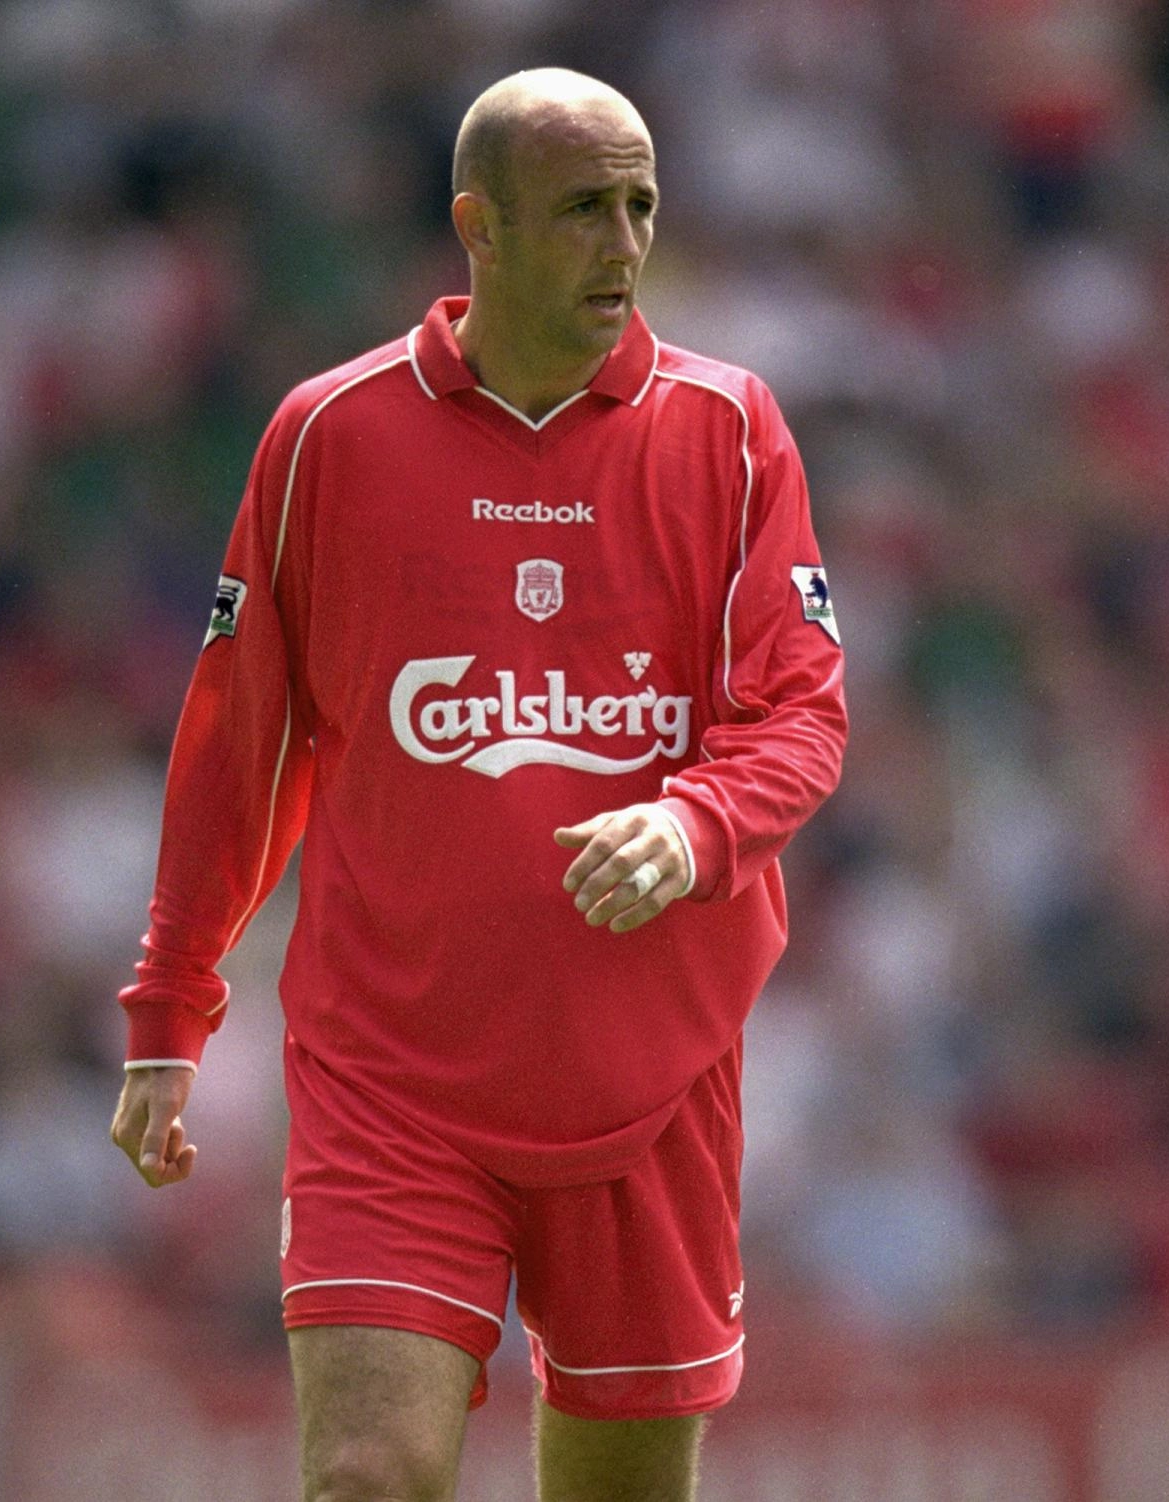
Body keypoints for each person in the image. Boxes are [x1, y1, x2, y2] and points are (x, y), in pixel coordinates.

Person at [110, 67, 847, 1502]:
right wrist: (169, 1005)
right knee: (371, 1475)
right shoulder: (330, 437)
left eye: (641, 205)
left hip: (655, 1075)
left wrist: (693, 822)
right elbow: (238, 742)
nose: (625, 242)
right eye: (583, 209)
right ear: (479, 227)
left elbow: (803, 713)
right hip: (393, 1076)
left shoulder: (733, 430)